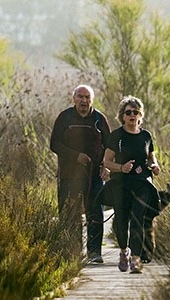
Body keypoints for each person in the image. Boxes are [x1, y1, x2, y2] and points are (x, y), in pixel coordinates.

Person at [49, 84, 113, 264]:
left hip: (94, 176)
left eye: (87, 97)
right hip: (68, 176)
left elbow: (110, 146)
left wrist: (105, 166)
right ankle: (71, 253)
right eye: (80, 97)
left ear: (92, 100)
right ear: (74, 98)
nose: (84, 101)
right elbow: (54, 144)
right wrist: (76, 156)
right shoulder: (65, 117)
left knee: (95, 214)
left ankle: (94, 253)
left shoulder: (100, 119)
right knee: (69, 214)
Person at [101, 96, 162, 274]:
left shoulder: (146, 135)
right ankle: (123, 251)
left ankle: (136, 259)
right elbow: (106, 161)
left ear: (140, 114)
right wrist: (121, 167)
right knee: (121, 222)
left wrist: (154, 165)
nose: (132, 115)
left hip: (142, 183)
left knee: (137, 221)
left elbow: (151, 156)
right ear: (122, 116)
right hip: (121, 184)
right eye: (128, 112)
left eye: (135, 112)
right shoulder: (116, 136)